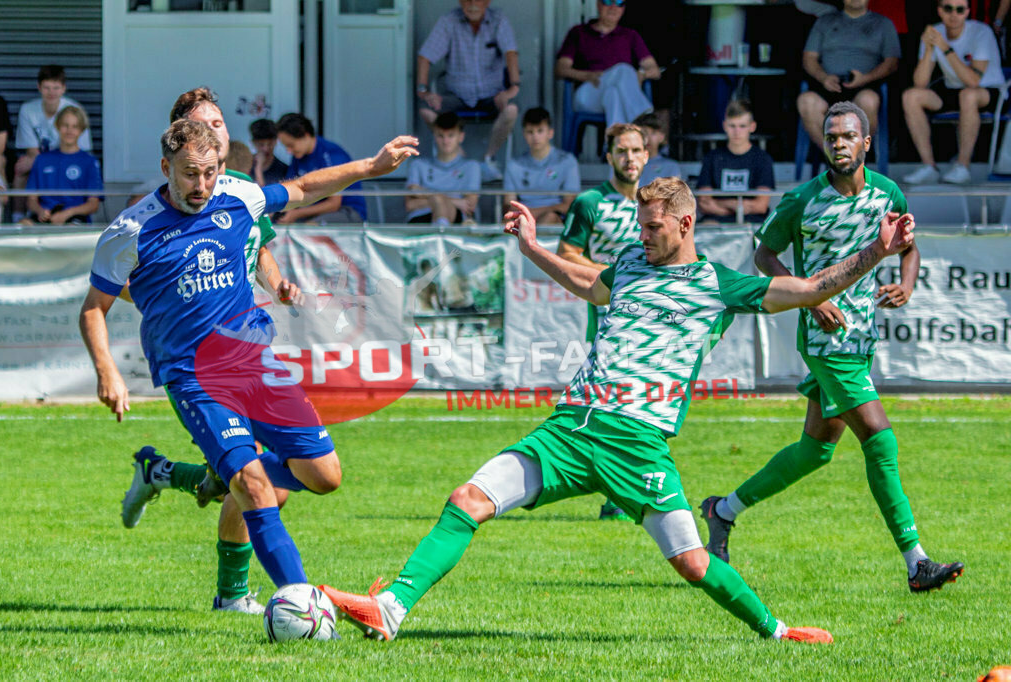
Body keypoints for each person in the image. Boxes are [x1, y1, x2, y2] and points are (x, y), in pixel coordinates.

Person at [316, 175, 917, 644]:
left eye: (654, 225)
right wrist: (530, 246)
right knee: (467, 500)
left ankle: (778, 631)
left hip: (637, 444)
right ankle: (391, 608)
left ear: (684, 223)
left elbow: (813, 288)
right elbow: (586, 284)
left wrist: (877, 249)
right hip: (570, 429)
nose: (644, 232)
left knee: (690, 560)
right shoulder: (631, 263)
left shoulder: (717, 284)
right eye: (641, 222)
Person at [81, 119, 417, 611]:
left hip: (257, 364)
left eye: (211, 172)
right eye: (190, 174)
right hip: (195, 378)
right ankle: (302, 602)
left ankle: (179, 472)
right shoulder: (130, 229)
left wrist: (371, 165)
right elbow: (94, 307)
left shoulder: (237, 196)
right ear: (165, 168)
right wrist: (106, 371)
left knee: (325, 476)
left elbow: (302, 188)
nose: (202, 185)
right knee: (254, 486)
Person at [700, 101, 965, 594]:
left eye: (848, 136)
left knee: (815, 451)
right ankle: (916, 561)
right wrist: (808, 298)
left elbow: (909, 245)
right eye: (831, 136)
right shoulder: (803, 199)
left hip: (862, 335)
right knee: (880, 438)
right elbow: (763, 255)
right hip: (825, 338)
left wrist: (907, 286)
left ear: (867, 143)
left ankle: (723, 509)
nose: (839, 143)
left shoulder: (888, 192)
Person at [117, 87, 313, 615]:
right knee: (249, 480)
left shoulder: (240, 189)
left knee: (247, 480)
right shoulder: (161, 206)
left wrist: (277, 285)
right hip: (202, 363)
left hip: (247, 346)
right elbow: (131, 281)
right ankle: (235, 594)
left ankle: (156, 473)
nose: (220, 132)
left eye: (222, 123)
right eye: (208, 124)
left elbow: (260, 248)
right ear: (183, 140)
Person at [558, 121, 647, 521]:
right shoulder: (591, 202)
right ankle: (615, 494)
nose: (630, 158)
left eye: (636, 151)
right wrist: (609, 273)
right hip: (609, 317)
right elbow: (567, 252)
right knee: (614, 400)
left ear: (647, 154)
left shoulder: (655, 201)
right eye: (622, 152)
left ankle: (621, 490)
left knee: (642, 401)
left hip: (651, 317)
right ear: (608, 157)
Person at [902, 0, 1005, 185]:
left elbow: (973, 81)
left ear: (967, 12)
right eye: (948, 8)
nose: (954, 14)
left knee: (968, 94)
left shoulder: (981, 32)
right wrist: (928, 50)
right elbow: (920, 82)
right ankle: (929, 166)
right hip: (954, 90)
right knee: (911, 96)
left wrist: (945, 48)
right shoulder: (935, 31)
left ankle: (962, 166)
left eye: (959, 10)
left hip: (989, 90)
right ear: (940, 10)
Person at [416, 0, 520, 181]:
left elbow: (510, 53)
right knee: (426, 110)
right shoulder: (449, 21)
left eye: (477, 0)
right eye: (467, 0)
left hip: (491, 95)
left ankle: (488, 159)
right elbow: (425, 56)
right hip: (457, 96)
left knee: (511, 110)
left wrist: (513, 87)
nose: (472, 5)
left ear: (487, 2)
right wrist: (424, 91)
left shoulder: (498, 20)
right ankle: (464, 161)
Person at [798, 0, 900, 150]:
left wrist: (866, 78)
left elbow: (892, 63)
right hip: (829, 84)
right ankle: (836, 159)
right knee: (806, 101)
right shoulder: (824, 21)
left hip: (865, 84)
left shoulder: (883, 24)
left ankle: (852, 158)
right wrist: (823, 77)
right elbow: (809, 58)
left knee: (869, 100)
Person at [555, 0, 661, 127]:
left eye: (619, 2)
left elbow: (654, 70)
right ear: (598, 4)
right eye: (608, 1)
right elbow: (560, 69)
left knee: (613, 94)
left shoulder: (630, 35)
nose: (613, 7)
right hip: (588, 93)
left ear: (624, 8)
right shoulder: (578, 32)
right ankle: (644, 121)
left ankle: (614, 142)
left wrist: (641, 75)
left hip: (616, 94)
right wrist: (587, 76)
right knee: (623, 70)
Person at [13, 65, 92, 218]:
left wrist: (45, 161)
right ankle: (18, 218)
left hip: (71, 161)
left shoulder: (74, 110)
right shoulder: (28, 110)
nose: (51, 93)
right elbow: (31, 150)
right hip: (41, 161)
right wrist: (42, 161)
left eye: (56, 88)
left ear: (63, 88)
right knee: (21, 170)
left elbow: (78, 151)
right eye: (47, 88)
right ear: (39, 87)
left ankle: (74, 216)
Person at [276, 112, 368, 223]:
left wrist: (297, 213)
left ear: (305, 135)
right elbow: (289, 189)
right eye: (286, 147)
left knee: (307, 230)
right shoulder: (298, 156)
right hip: (312, 211)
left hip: (347, 211)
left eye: (291, 145)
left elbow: (334, 204)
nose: (288, 151)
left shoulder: (331, 155)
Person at [696, 99, 775, 225]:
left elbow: (761, 205)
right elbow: (704, 203)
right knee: (706, 228)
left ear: (752, 126)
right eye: (732, 125)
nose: (737, 132)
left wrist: (723, 205)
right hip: (716, 221)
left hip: (753, 222)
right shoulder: (712, 157)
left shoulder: (762, 159)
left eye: (742, 126)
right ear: (725, 126)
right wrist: (736, 206)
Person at [24, 105, 102, 225]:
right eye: (65, 125)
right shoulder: (42, 159)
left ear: (81, 130)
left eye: (75, 127)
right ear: (58, 127)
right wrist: (39, 211)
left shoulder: (89, 162)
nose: (69, 131)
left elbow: (93, 204)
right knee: (22, 225)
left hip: (74, 218)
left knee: (71, 230)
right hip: (44, 216)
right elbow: (31, 200)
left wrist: (67, 214)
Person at [502, 107, 580, 225]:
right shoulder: (514, 165)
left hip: (553, 218)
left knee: (549, 217)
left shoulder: (567, 161)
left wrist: (532, 212)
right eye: (530, 132)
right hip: (523, 219)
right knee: (508, 223)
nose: (535, 137)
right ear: (524, 134)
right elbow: (509, 205)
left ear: (550, 133)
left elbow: (569, 205)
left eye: (540, 131)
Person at [405, 112, 481, 226]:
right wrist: (455, 201)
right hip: (421, 217)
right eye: (440, 136)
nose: (445, 141)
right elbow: (409, 205)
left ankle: (440, 229)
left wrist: (425, 194)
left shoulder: (472, 166)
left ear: (461, 137)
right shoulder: (418, 165)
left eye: (450, 135)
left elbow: (469, 206)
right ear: (434, 136)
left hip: (456, 219)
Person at [634, 112, 682, 187]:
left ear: (662, 137)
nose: (648, 138)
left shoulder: (671, 166)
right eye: (644, 133)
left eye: (653, 133)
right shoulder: (629, 164)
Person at [249, 118, 288, 187]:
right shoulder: (245, 165)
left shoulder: (283, 170)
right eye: (261, 145)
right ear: (253, 142)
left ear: (276, 141)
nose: (266, 149)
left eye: (270, 144)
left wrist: (258, 169)